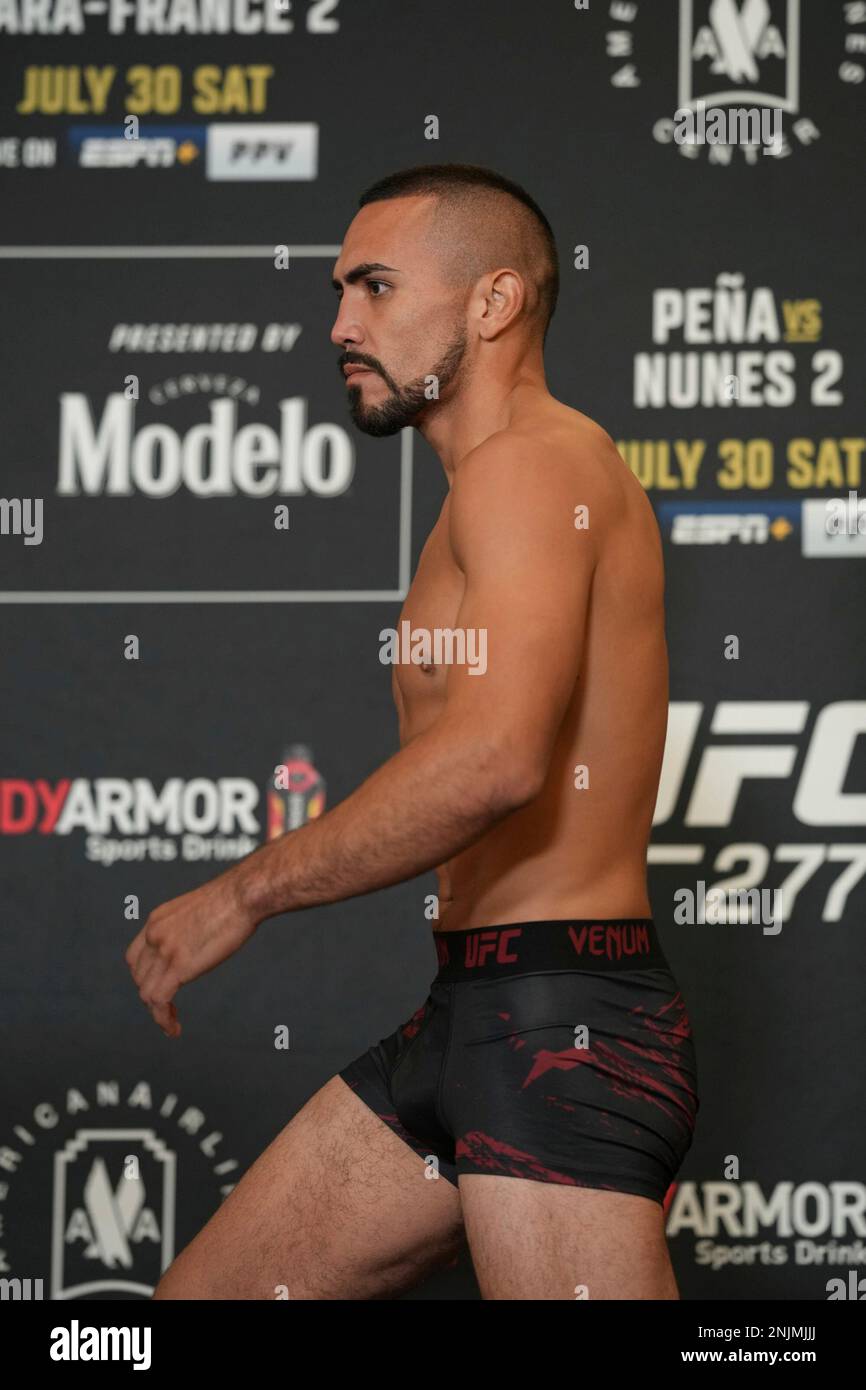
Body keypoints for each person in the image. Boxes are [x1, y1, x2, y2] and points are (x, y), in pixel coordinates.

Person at [128, 163, 699, 1301]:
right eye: (340, 291)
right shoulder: (480, 490)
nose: (340, 323)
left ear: (491, 304)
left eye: (376, 288)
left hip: (562, 1026)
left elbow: (494, 759)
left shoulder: (533, 469)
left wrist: (241, 892)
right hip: (474, 1009)